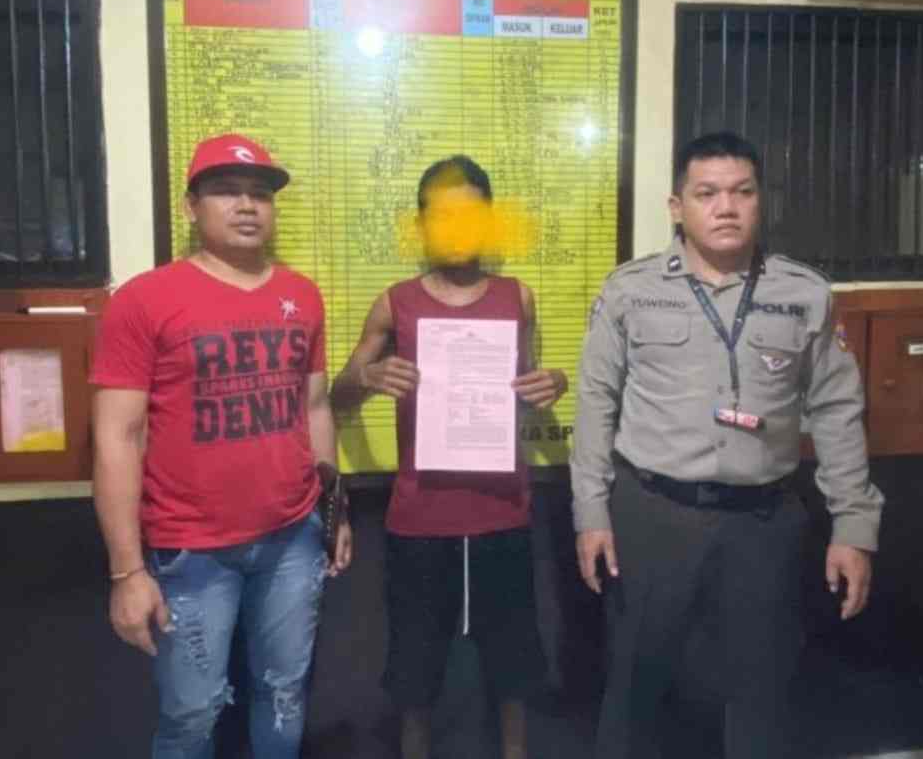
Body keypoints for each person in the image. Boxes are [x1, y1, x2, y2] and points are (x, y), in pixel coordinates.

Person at [571, 130, 884, 758]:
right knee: (634, 689)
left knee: (762, 695)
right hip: (652, 517)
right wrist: (591, 513)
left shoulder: (803, 294)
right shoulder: (631, 290)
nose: (726, 208)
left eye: (742, 192)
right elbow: (596, 402)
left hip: (761, 525)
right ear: (676, 206)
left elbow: (837, 410)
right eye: (707, 193)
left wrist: (853, 527)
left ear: (761, 201)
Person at [91, 133, 353, 759]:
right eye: (227, 192)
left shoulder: (302, 295)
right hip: (191, 550)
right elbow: (116, 437)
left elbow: (315, 407)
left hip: (293, 538)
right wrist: (127, 572)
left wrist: (334, 510)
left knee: (285, 694)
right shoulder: (144, 300)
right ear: (191, 207)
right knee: (193, 712)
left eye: (260, 194)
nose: (246, 206)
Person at [330, 156, 567, 759]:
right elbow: (337, 398)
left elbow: (524, 388)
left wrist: (554, 383)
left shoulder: (519, 298)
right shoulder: (395, 303)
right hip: (419, 516)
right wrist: (368, 376)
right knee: (415, 668)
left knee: (514, 663)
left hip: (503, 511)